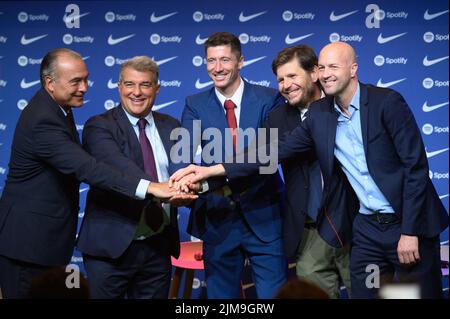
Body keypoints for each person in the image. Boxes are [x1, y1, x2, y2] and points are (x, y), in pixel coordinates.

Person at [171, 42, 448, 298]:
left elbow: (415, 168)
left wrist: (410, 230)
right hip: (356, 230)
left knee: (413, 294)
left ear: (352, 69)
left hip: (396, 225)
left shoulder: (384, 103)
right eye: (281, 79)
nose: (326, 74)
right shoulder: (320, 114)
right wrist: (211, 172)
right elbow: (270, 154)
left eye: (333, 67)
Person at [0, 48, 194, 299]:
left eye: (85, 79)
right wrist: (153, 188)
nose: (84, 87)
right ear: (50, 83)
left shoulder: (59, 111)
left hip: (53, 243)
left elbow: (185, 167)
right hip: (28, 244)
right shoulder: (45, 119)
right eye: (75, 81)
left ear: (157, 88)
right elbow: (90, 168)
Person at [172, 32, 287, 298]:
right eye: (211, 61)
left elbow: (268, 155)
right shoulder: (195, 104)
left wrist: (214, 171)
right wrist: (183, 179)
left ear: (241, 62)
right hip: (217, 218)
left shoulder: (269, 99)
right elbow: (183, 154)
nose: (217, 68)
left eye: (225, 60)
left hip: (264, 215)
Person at [76, 56, 190, 298]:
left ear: (157, 88)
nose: (136, 92)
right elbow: (117, 168)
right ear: (119, 87)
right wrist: (159, 189)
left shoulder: (173, 126)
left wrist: (186, 188)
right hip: (110, 249)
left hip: (157, 246)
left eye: (145, 85)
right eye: (129, 84)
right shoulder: (99, 126)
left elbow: (185, 170)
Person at [268, 45, 351, 298]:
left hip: (355, 231)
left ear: (314, 73)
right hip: (309, 233)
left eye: (292, 76)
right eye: (281, 79)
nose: (286, 85)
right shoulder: (276, 118)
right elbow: (256, 160)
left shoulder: (343, 105)